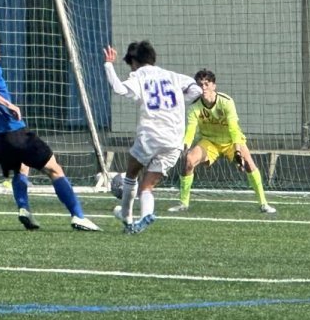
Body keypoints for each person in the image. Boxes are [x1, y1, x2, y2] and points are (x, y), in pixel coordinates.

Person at [0, 26, 100, 231]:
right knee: (54, 169)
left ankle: (24, 208)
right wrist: (9, 105)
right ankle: (78, 216)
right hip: (12, 132)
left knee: (21, 167)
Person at [103, 41, 199, 234]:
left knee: (131, 174)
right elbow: (196, 89)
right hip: (174, 140)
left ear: (135, 62)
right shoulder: (172, 76)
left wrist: (108, 65)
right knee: (147, 186)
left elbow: (119, 89)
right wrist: (179, 102)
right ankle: (146, 214)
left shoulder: (138, 75)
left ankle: (127, 217)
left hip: (151, 135)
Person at [172, 69, 276, 215]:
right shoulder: (194, 107)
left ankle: (263, 204)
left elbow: (234, 129)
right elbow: (190, 130)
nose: (203, 87)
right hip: (209, 142)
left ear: (214, 86)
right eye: (200, 84)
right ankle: (183, 203)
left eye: (207, 84)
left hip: (230, 141)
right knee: (189, 160)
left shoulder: (226, 102)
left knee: (249, 165)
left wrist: (238, 152)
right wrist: (185, 146)